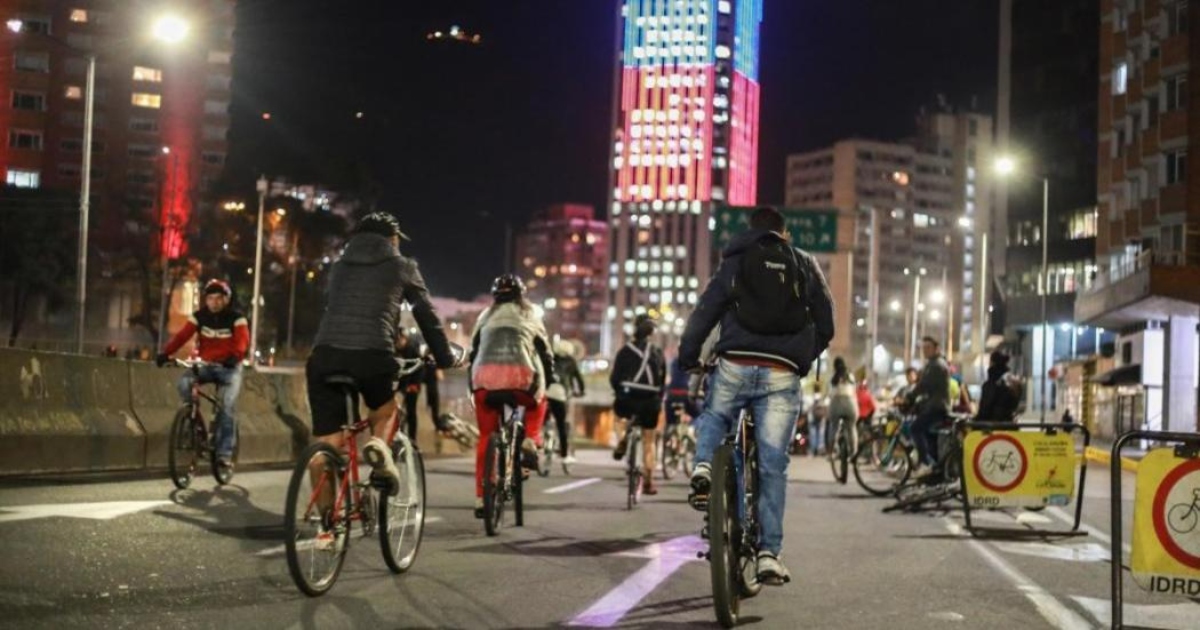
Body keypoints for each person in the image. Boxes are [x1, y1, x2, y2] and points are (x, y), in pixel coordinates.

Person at [679, 206, 835, 585]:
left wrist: (689, 356)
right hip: (781, 371)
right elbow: (826, 321)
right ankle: (769, 554)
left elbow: (706, 310)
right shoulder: (802, 262)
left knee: (716, 416)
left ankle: (703, 467)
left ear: (751, 230)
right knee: (771, 464)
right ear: (784, 233)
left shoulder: (736, 259)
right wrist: (799, 354)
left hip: (735, 361)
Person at [305, 212, 458, 496]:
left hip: (324, 356)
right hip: (372, 355)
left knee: (326, 444)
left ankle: (325, 531)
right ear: (392, 239)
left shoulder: (339, 268)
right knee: (387, 411)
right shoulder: (402, 266)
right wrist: (445, 357)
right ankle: (377, 447)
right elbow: (426, 316)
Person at [469, 273, 557, 518]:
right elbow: (545, 352)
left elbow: (473, 352)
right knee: (538, 401)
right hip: (522, 381)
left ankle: (480, 497)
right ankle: (530, 438)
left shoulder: (484, 316)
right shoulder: (530, 315)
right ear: (521, 295)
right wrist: (549, 379)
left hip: (484, 381)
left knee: (487, 436)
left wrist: (473, 384)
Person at [156, 279, 249, 470]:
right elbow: (182, 336)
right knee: (184, 383)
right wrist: (166, 353)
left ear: (226, 300)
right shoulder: (199, 317)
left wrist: (235, 357)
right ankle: (193, 421)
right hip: (206, 365)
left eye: (218, 299)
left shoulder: (237, 318)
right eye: (210, 298)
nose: (214, 302)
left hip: (229, 368)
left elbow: (242, 342)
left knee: (226, 405)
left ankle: (224, 453)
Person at [610, 313, 668, 495]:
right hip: (650, 402)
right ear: (651, 333)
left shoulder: (625, 351)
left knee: (620, 415)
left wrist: (619, 391)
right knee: (649, 440)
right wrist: (658, 398)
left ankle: (622, 439)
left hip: (627, 399)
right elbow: (661, 382)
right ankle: (649, 481)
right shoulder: (658, 352)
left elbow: (615, 378)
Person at [908, 337, 951, 479]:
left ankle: (925, 463)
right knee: (928, 436)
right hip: (933, 405)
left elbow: (924, 385)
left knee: (915, 428)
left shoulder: (936, 365)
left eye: (928, 348)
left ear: (936, 349)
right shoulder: (932, 364)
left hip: (937, 407)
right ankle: (935, 468)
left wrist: (910, 397)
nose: (925, 351)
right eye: (924, 348)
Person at [546, 339, 585, 464]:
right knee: (561, 424)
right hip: (560, 394)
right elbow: (579, 379)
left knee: (542, 419)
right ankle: (564, 455)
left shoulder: (550, 358)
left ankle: (542, 438)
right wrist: (581, 391)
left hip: (545, 393)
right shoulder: (571, 362)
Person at [975, 350, 1022, 423]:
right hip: (1010, 426)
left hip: (991, 428)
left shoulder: (991, 384)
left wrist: (974, 422)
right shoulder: (1014, 382)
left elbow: (985, 411)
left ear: (992, 363)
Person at [394, 329, 425, 441]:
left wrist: (414, 384)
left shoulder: (412, 349)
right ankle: (398, 435)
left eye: (399, 340)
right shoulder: (394, 350)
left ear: (404, 338)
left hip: (411, 385)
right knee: (396, 412)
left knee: (411, 411)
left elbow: (419, 368)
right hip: (399, 385)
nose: (398, 343)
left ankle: (412, 439)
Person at [828, 357, 859, 455]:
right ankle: (853, 451)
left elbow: (830, 393)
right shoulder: (850, 376)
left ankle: (832, 452)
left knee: (833, 427)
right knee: (851, 427)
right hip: (849, 403)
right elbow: (854, 390)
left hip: (836, 403)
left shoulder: (833, 377)